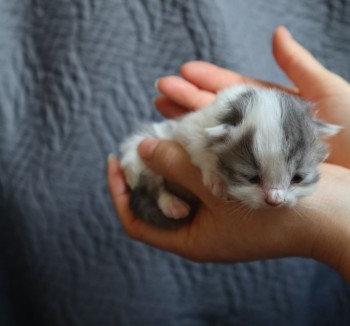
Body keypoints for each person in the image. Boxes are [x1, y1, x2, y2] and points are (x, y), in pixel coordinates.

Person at [107, 27, 350, 283]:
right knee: (136, 153)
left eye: (298, 178)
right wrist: (207, 166)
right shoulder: (214, 124)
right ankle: (158, 194)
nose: (276, 199)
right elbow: (187, 134)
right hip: (158, 158)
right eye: (253, 178)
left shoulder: (296, 134)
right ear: (220, 138)